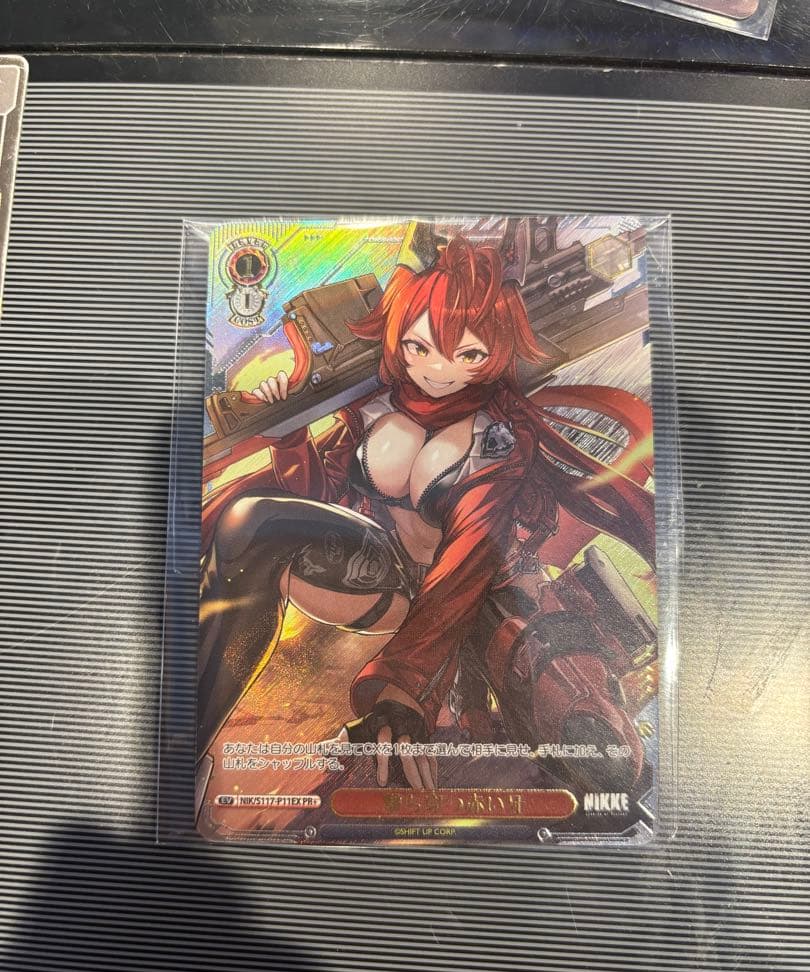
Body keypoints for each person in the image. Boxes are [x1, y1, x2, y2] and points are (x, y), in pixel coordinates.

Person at [197, 235, 655, 793]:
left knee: (257, 524)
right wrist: (290, 435)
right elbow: (316, 498)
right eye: (420, 347)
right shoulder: (375, 402)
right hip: (387, 564)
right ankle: (188, 745)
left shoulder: (496, 439)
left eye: (468, 355)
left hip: (462, 599)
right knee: (253, 527)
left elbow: (468, 560)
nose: (438, 370)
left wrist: (403, 686)